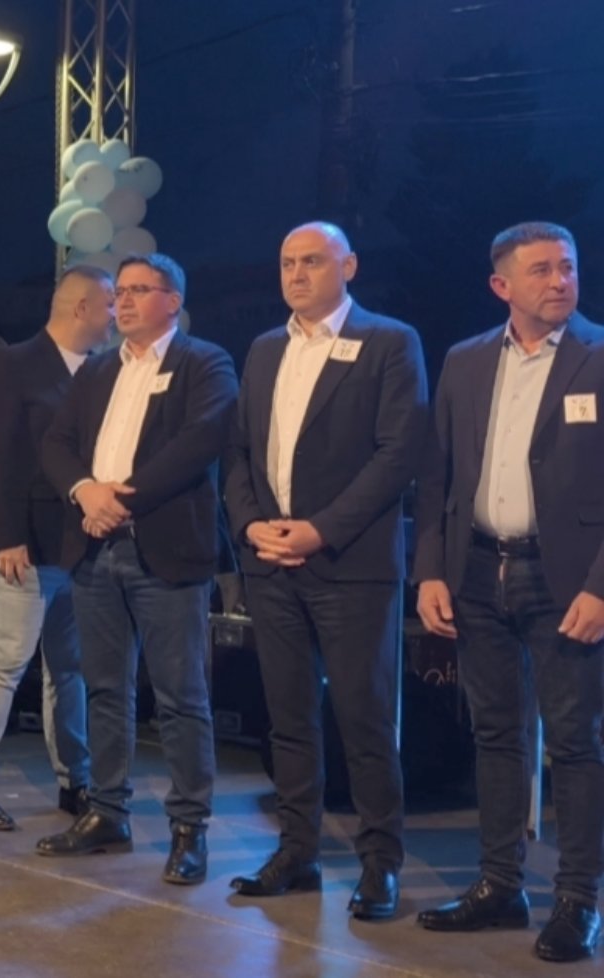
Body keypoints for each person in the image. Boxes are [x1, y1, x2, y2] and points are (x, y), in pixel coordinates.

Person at [222, 223, 427, 920]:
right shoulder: (264, 348)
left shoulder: (389, 342)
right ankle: (297, 852)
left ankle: (380, 863)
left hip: (350, 563)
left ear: (349, 266)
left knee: (364, 719)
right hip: (271, 561)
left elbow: (397, 455)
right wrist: (250, 525)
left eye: (312, 261)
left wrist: (321, 530)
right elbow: (239, 451)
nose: (297, 274)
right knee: (287, 718)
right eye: (287, 262)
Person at [414, 222, 604, 963]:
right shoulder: (465, 361)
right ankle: (500, 885)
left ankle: (579, 901)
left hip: (567, 583)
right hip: (475, 572)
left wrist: (601, 586)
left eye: (568, 267)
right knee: (495, 734)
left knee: (575, 742)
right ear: (502, 286)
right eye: (542, 270)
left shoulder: (598, 355)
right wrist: (431, 569)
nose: (560, 281)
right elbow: (437, 474)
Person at [37, 254, 236, 886]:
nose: (122, 301)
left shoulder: (204, 363)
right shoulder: (98, 370)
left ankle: (189, 829)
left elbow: (199, 442)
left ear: (172, 301)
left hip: (164, 549)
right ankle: (107, 812)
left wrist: (120, 500)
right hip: (95, 550)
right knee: (103, 688)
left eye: (138, 290)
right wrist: (84, 492)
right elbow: (55, 443)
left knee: (180, 696)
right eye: (119, 292)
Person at [0, 266, 113, 830]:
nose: (115, 317)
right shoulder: (13, 363)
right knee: (8, 658)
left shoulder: (100, 372)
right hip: (26, 545)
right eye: (109, 305)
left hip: (81, 546)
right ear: (81, 307)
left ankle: (76, 780)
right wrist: (5, 536)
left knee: (68, 669)